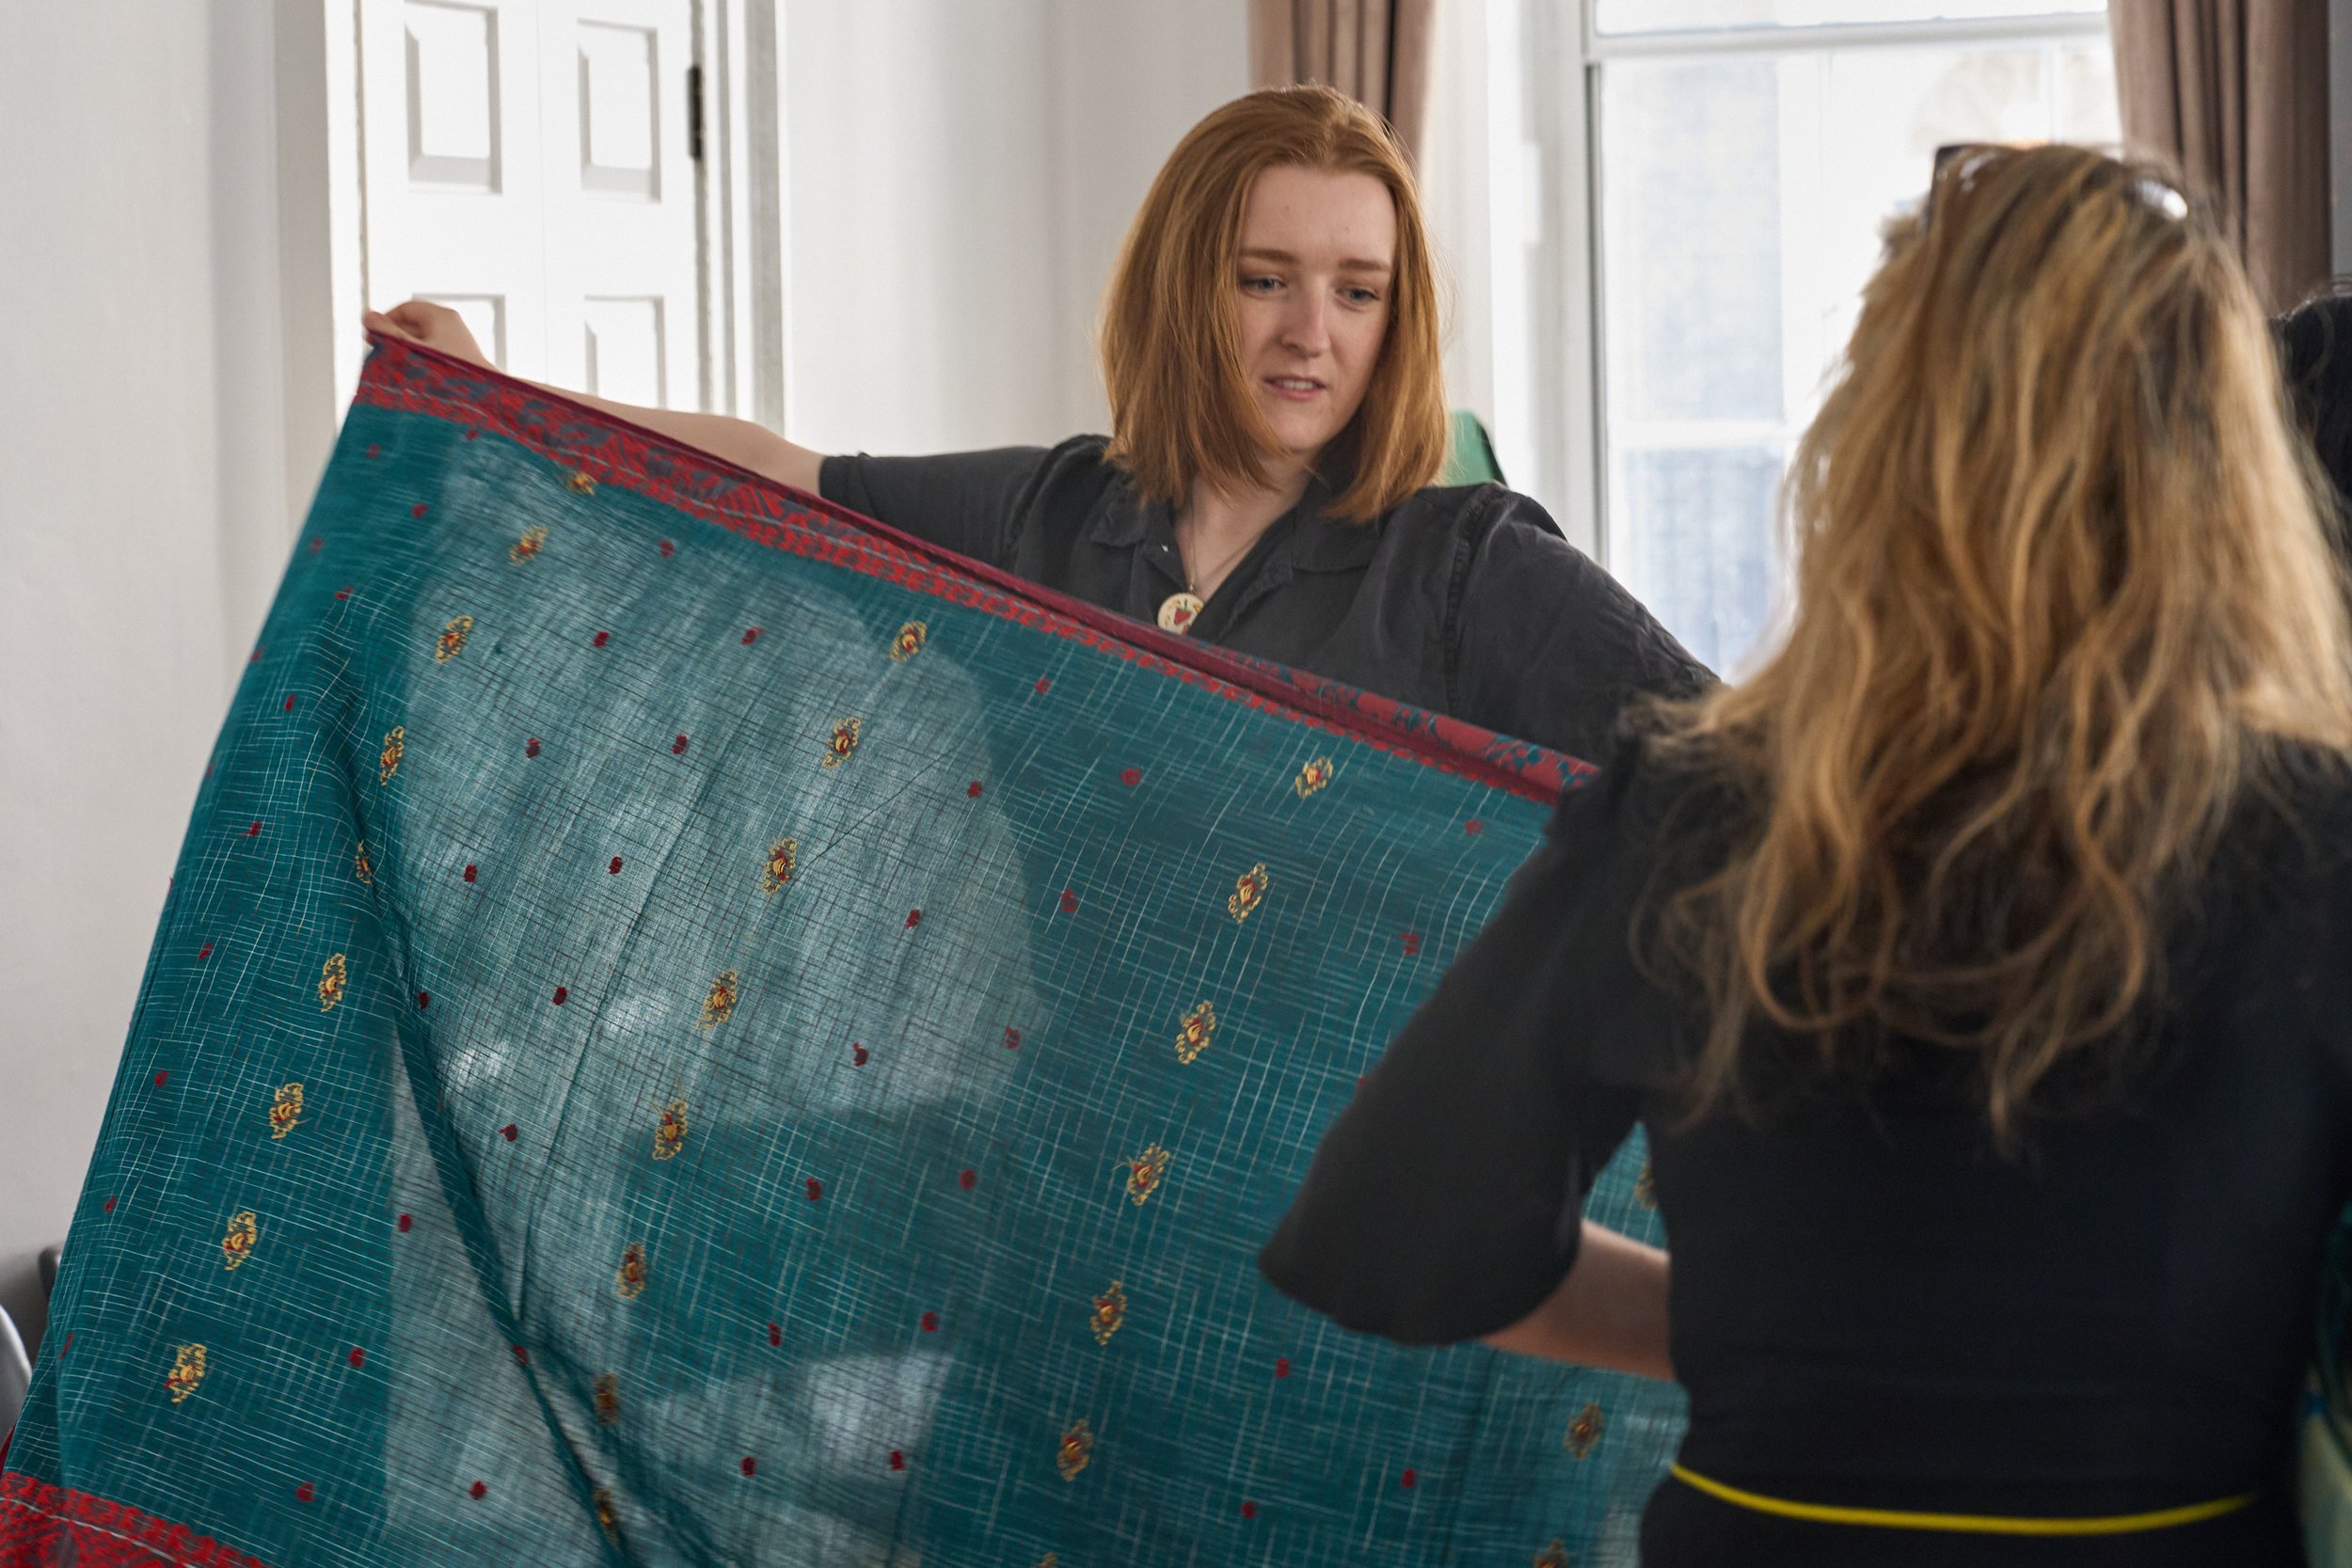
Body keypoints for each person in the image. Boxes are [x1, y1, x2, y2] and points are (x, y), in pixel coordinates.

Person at [1261, 143, 2352, 1565]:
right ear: (2231, 468)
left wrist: (1769, 1335)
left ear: (1876, 440)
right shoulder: (2313, 848)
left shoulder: (1692, 816)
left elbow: (1396, 1236)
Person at [366, 86, 1707, 763]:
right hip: (1082, 1149)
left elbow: (1735, 770)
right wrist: (500, 396)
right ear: (1188, 292)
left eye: (1358, 291)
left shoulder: (1468, 565)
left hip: (1369, 1182)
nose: (1314, 331)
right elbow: (780, 475)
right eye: (1264, 280)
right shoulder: (1062, 516)